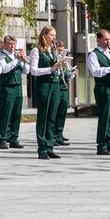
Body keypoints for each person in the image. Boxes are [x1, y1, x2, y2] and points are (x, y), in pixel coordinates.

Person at [27, 25, 66, 160]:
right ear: (44, 36)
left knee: (52, 117)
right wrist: (50, 69)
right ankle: (42, 148)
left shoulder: (53, 50)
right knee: (43, 117)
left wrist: (61, 65)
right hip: (43, 85)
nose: (54, 38)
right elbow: (33, 71)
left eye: (55, 36)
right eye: (52, 35)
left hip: (55, 84)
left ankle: (50, 146)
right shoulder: (36, 51)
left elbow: (55, 67)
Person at [0, 36, 28, 150]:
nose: (12, 46)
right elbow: (4, 69)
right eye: (10, 44)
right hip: (7, 87)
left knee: (16, 114)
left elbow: (26, 71)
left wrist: (25, 61)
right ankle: (3, 138)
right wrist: (17, 60)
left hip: (18, 87)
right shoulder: (0, 56)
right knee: (6, 113)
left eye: (14, 44)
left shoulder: (15, 56)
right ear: (4, 44)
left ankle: (14, 138)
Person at [53, 40, 71, 146]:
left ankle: (59, 134)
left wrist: (69, 70)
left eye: (62, 51)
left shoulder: (64, 61)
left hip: (64, 88)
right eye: (59, 51)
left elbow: (69, 76)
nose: (60, 53)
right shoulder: (54, 59)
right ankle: (54, 135)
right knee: (55, 113)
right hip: (57, 87)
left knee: (62, 112)